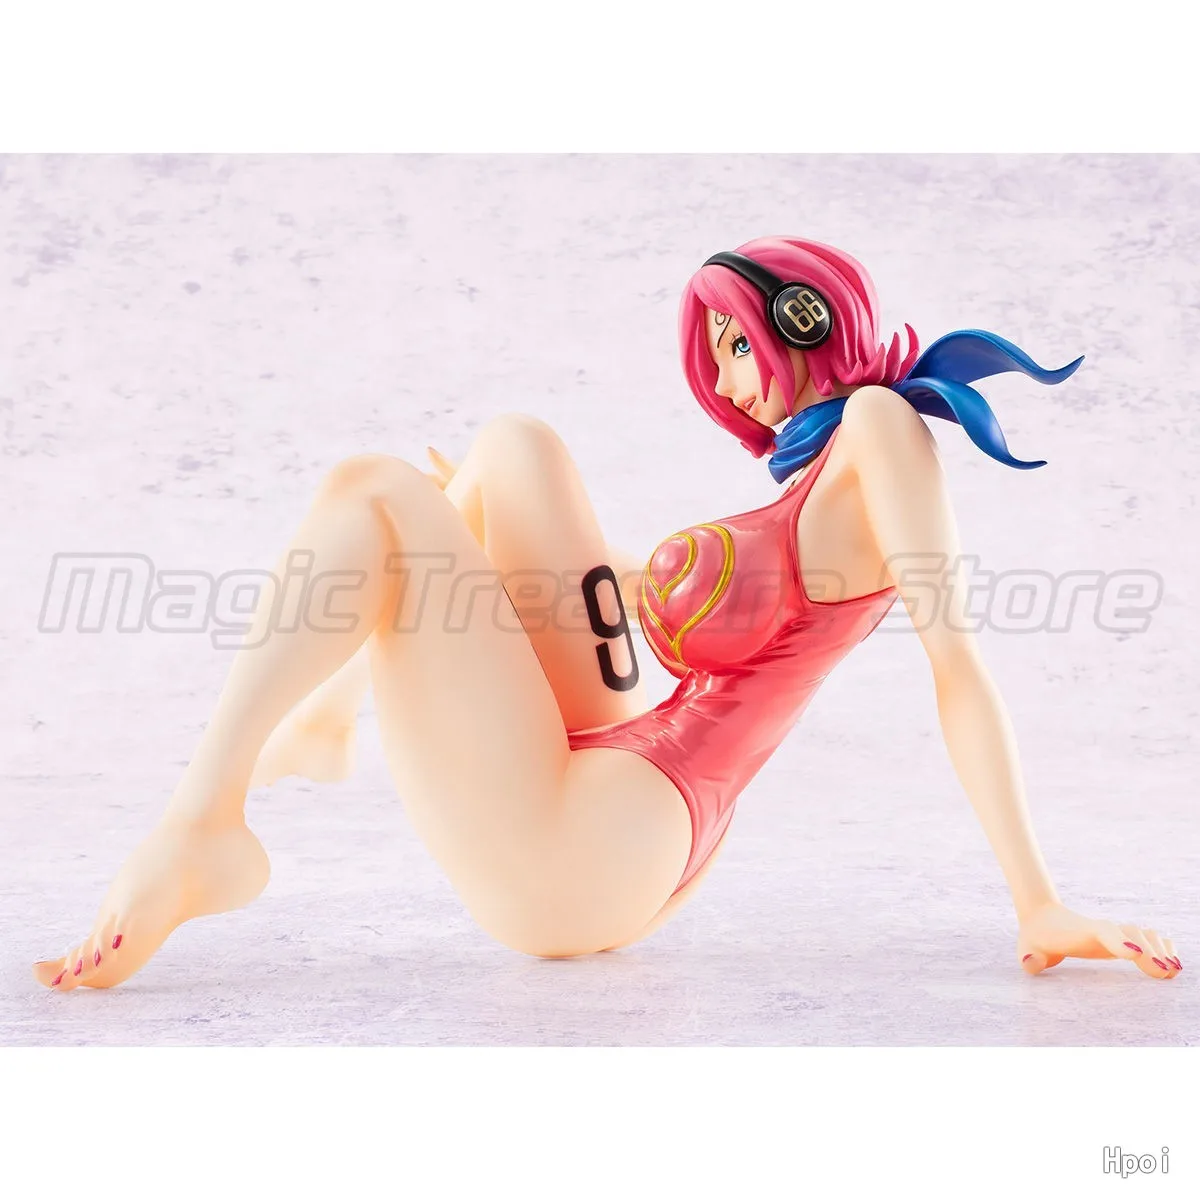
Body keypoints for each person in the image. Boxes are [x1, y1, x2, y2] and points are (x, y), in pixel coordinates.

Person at [35, 236, 1180, 991]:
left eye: (740, 342)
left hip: (590, 854)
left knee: (371, 492)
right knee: (514, 446)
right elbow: (699, 621)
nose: (729, 379)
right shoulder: (817, 488)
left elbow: (958, 671)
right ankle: (328, 719)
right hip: (637, 805)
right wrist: (477, 534)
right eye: (715, 354)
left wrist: (1038, 900)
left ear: (806, 318)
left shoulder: (879, 429)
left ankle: (206, 823)